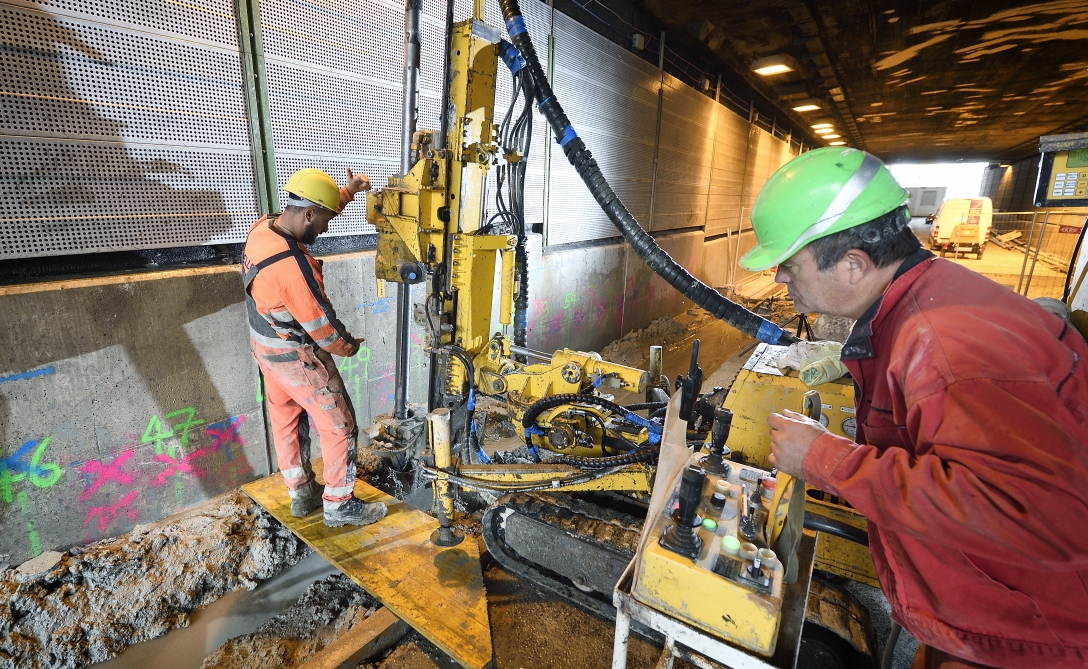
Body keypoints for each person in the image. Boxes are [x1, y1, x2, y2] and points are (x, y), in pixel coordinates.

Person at [740, 148, 1088, 669]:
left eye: (789, 266)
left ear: (854, 263)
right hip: (992, 614)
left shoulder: (944, 349)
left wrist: (826, 460)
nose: (781, 280)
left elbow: (1038, 518)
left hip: (1031, 638)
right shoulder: (931, 298)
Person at [242, 167, 388, 527]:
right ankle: (339, 504)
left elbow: (315, 208)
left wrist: (347, 192)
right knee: (340, 426)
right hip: (296, 357)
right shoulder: (292, 266)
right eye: (323, 221)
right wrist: (350, 346)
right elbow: (323, 329)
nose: (325, 229)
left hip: (266, 350)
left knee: (286, 419)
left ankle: (301, 493)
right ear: (308, 213)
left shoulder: (264, 227)